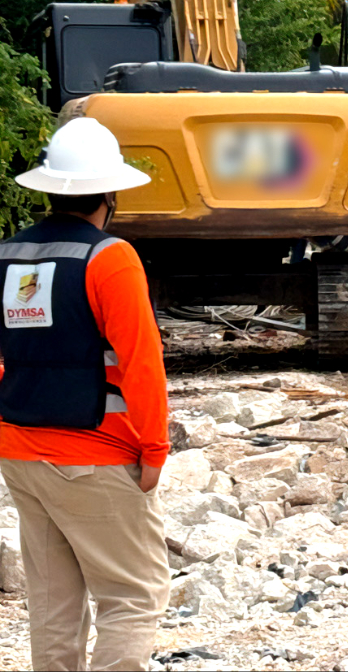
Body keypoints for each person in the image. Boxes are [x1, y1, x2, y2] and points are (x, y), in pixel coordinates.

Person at [0, 117, 169, 672]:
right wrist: (154, 449)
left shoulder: (7, 257)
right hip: (95, 453)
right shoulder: (110, 258)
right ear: (110, 193)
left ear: (48, 187)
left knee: (53, 604)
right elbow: (142, 361)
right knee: (131, 597)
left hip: (21, 451)